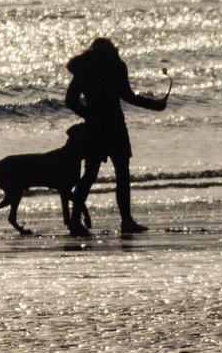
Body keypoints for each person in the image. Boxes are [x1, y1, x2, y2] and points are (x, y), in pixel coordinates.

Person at [64, 37, 168, 235]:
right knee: (122, 174)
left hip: (94, 128)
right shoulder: (116, 66)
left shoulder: (84, 69)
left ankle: (75, 221)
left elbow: (70, 100)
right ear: (112, 50)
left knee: (89, 175)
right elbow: (129, 97)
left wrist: (88, 114)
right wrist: (156, 105)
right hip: (115, 126)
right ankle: (126, 221)